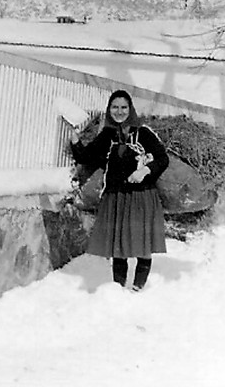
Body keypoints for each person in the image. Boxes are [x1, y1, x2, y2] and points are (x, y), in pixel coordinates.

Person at [70, 90, 169, 291]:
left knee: (142, 244)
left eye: (124, 107)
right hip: (115, 197)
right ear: (109, 109)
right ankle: (117, 289)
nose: (119, 111)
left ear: (130, 109)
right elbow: (87, 157)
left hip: (141, 197)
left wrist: (145, 172)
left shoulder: (144, 133)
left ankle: (138, 288)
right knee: (119, 247)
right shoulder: (107, 135)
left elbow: (162, 158)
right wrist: (74, 141)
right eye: (115, 107)